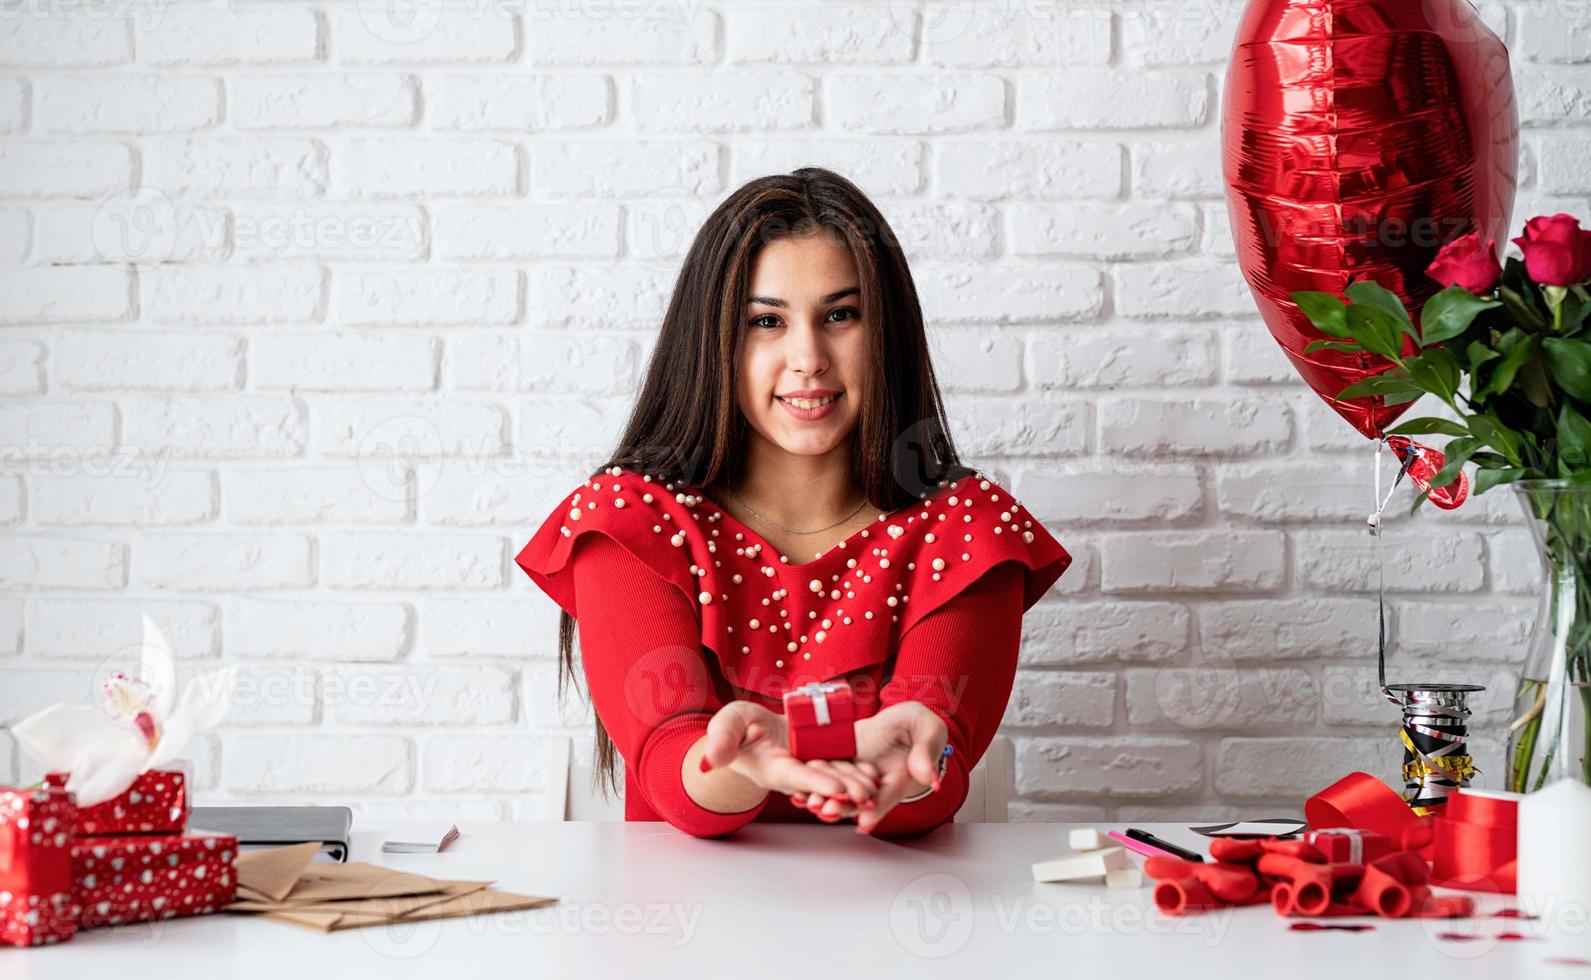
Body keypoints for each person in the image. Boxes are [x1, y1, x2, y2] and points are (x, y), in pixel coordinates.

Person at [515, 167, 1071, 839]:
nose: (807, 357)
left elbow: (933, 783)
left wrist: (903, 764)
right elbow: (670, 771)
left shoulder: (970, 529)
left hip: (890, 918)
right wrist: (748, 764)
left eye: (840, 315)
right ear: (714, 340)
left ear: (885, 332)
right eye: (766, 322)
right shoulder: (627, 521)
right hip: (686, 929)